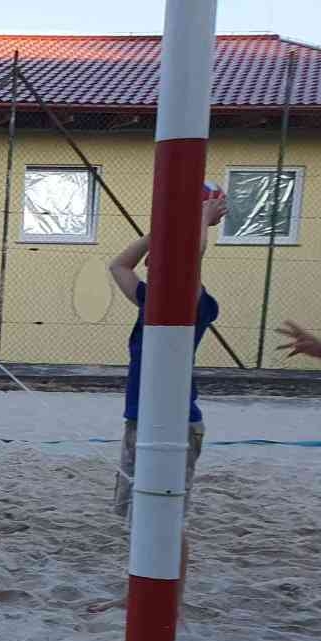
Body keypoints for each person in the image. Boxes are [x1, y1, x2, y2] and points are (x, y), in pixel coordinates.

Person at [91, 196, 226, 614]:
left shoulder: (193, 302)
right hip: (140, 421)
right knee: (141, 513)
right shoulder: (151, 299)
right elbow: (118, 265)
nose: (153, 263)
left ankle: (172, 603)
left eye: (165, 257)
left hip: (175, 425)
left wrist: (200, 217)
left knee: (166, 514)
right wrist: (157, 233)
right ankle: (136, 594)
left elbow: (189, 261)